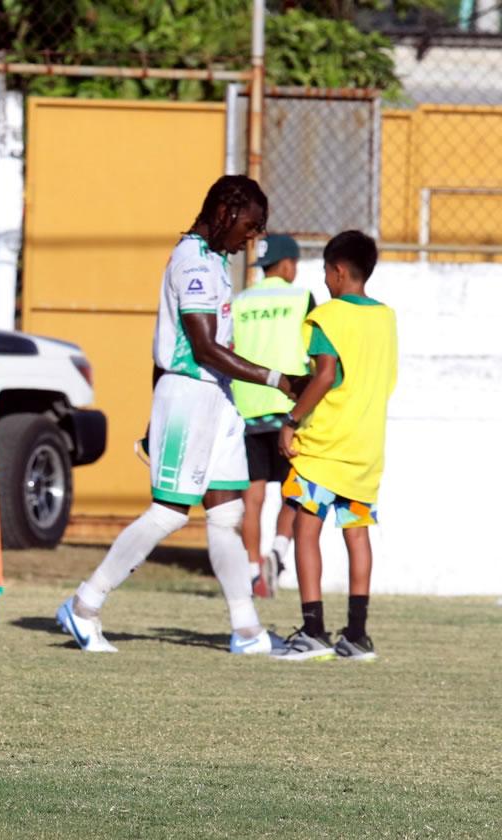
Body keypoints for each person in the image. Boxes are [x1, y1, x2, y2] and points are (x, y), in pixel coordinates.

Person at [57, 174, 294, 656]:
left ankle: (246, 629)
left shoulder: (215, 260)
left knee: (228, 512)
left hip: (217, 397)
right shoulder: (194, 263)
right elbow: (203, 348)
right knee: (168, 513)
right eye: (250, 226)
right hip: (191, 395)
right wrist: (277, 380)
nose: (252, 238)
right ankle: (84, 606)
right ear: (227, 212)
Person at [274, 231, 397, 661]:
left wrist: (291, 422)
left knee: (306, 530)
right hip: (366, 449)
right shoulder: (386, 318)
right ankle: (357, 636)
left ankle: (312, 630)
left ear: (339, 271)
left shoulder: (327, 317)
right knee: (357, 534)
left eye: (326, 272)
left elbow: (325, 376)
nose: (324, 281)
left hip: (324, 447)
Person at [231, 233, 313, 598]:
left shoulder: (241, 301)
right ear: (289, 265)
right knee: (294, 492)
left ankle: (253, 573)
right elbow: (316, 353)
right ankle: (278, 554)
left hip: (246, 408)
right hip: (288, 408)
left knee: (253, 498)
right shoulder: (301, 298)